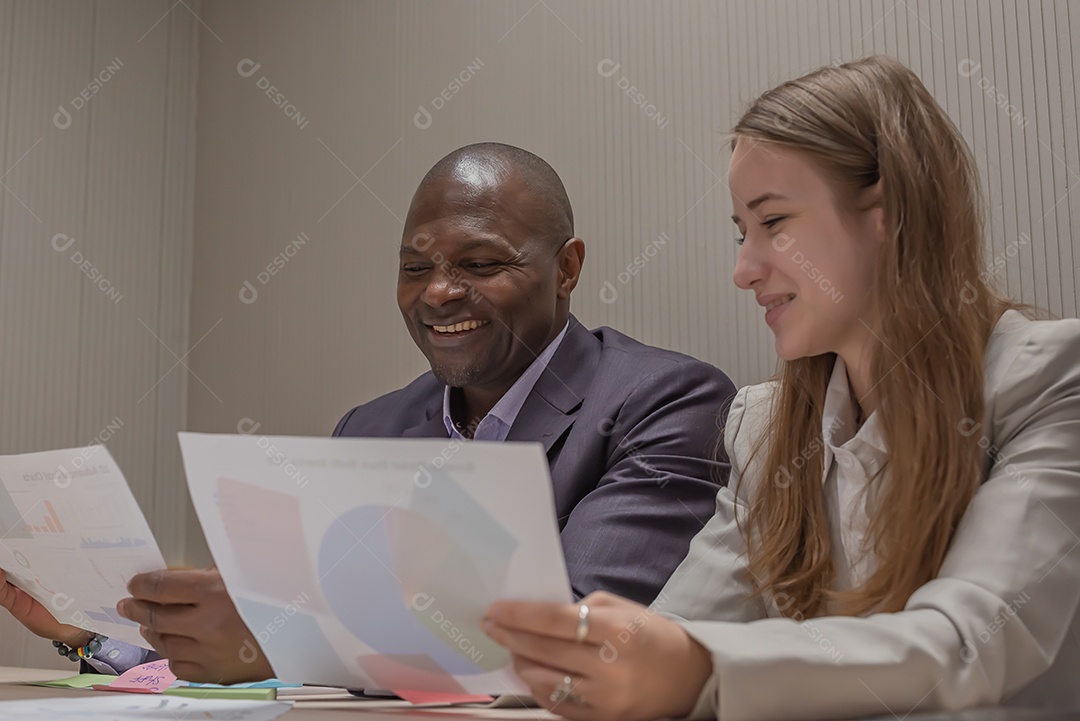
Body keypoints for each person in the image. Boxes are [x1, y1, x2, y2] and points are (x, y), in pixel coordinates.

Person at [482, 56, 1080, 721]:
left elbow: (967, 643)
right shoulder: (764, 427)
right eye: (741, 232)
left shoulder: (1050, 378)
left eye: (774, 224)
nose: (743, 269)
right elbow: (680, 628)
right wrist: (544, 664)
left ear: (888, 212)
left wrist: (696, 666)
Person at [0, 143, 736, 683]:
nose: (439, 293)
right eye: (415, 267)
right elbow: (301, 633)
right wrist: (108, 630)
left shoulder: (667, 401)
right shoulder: (370, 427)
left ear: (567, 267)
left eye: (480, 264)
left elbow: (567, 636)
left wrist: (273, 633)